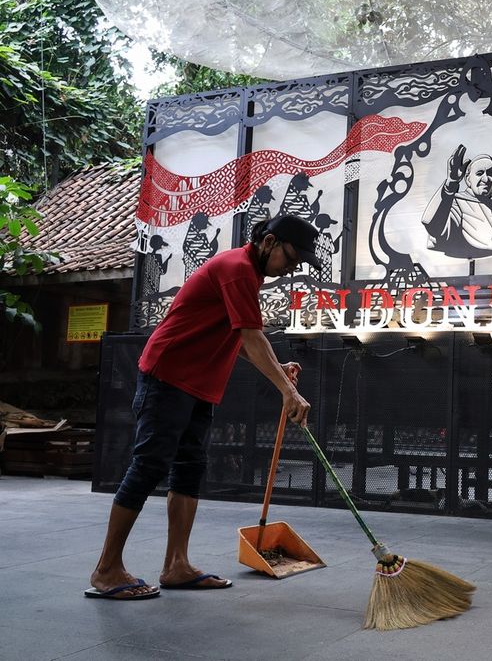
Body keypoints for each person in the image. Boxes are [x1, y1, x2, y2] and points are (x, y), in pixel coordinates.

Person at [86, 214, 320, 600]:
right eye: (292, 258)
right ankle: (107, 568)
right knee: (148, 466)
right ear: (269, 242)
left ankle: (176, 565)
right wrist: (288, 392)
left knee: (189, 470)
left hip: (199, 385)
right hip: (168, 376)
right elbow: (250, 334)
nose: (292, 268)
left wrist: (279, 370)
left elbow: (240, 340)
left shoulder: (250, 275)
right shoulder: (236, 268)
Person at [421, 144, 492, 259]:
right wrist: (451, 183)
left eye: (490, 174)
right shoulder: (454, 202)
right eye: (479, 173)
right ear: (468, 179)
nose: (486, 179)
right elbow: (432, 225)